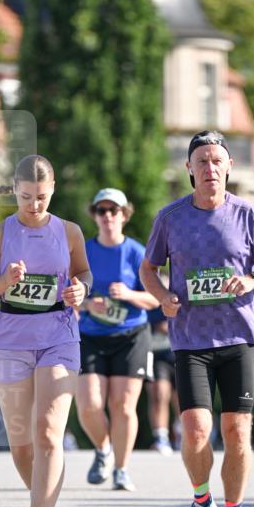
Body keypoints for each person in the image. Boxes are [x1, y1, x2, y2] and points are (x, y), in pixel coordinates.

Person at [140, 130, 254, 507]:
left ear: (228, 168)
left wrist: (253, 279)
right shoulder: (171, 218)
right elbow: (148, 269)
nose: (210, 168)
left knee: (238, 431)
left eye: (217, 161)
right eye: (202, 161)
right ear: (189, 168)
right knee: (196, 429)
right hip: (190, 339)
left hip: (238, 336)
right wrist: (163, 296)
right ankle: (202, 501)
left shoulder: (248, 215)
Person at [0, 155, 91, 507]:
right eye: (25, 197)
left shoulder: (69, 231)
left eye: (40, 197)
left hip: (58, 336)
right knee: (22, 445)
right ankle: (44, 502)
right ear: (14, 193)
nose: (34, 205)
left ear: (52, 189)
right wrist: (5, 280)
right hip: (8, 341)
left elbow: (84, 273)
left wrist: (81, 290)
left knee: (49, 431)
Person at [76, 188, 157, 491]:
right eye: (101, 210)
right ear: (94, 215)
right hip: (91, 335)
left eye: (114, 210)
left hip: (131, 335)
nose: (108, 216)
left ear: (125, 215)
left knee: (123, 406)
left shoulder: (137, 253)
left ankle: (122, 469)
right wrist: (87, 305)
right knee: (89, 405)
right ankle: (103, 449)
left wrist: (129, 294)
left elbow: (156, 299)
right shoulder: (83, 252)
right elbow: (68, 295)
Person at [146, 303, 179, 456]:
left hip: (179, 352)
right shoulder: (149, 297)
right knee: (159, 394)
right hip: (157, 354)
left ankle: (183, 433)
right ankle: (161, 437)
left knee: (183, 399)